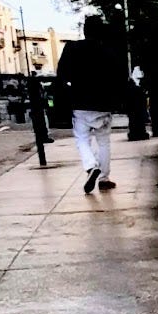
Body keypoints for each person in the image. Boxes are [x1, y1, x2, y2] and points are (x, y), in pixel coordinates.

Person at [54, 15, 121, 194]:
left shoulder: (72, 48)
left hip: (80, 102)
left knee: (82, 139)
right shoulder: (109, 51)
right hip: (104, 104)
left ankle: (91, 166)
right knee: (104, 141)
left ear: (84, 30)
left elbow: (62, 73)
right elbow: (119, 76)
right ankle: (104, 178)